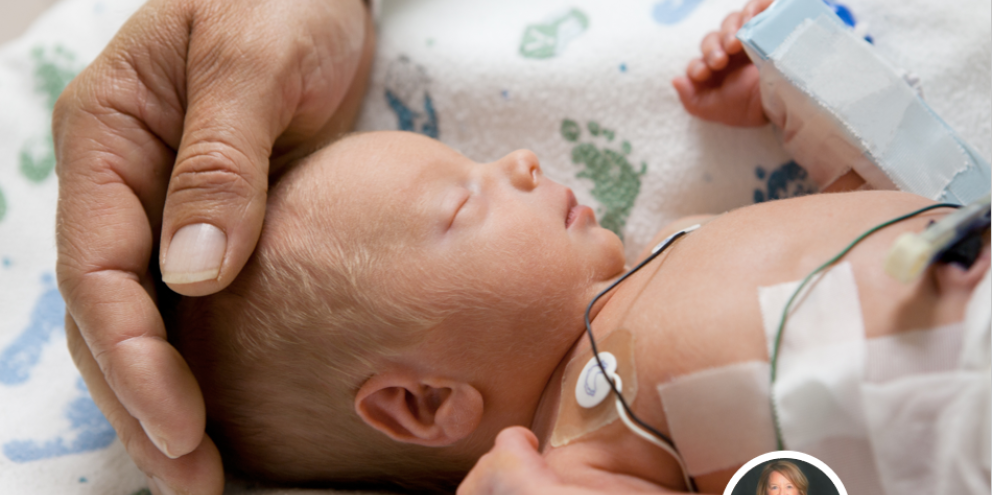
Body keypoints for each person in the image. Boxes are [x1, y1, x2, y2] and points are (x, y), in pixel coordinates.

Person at [164, 129, 988, 493]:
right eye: (462, 201)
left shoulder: (680, 241)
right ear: (424, 402)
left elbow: (870, 202)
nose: (518, 161)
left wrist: (789, 110)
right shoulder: (580, 454)